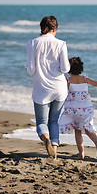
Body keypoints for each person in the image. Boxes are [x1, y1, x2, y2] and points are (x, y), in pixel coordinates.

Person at [59, 57, 97, 160]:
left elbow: (60, 91)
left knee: (77, 131)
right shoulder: (84, 79)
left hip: (72, 109)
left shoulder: (67, 80)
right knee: (87, 128)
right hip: (85, 109)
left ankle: (81, 153)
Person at [25, 16, 70, 159]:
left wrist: (27, 66)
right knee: (54, 121)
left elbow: (31, 70)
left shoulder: (32, 43)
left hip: (42, 89)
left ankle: (46, 139)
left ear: (41, 28)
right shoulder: (61, 44)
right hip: (59, 88)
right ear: (55, 29)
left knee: (42, 122)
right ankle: (54, 153)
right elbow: (65, 68)